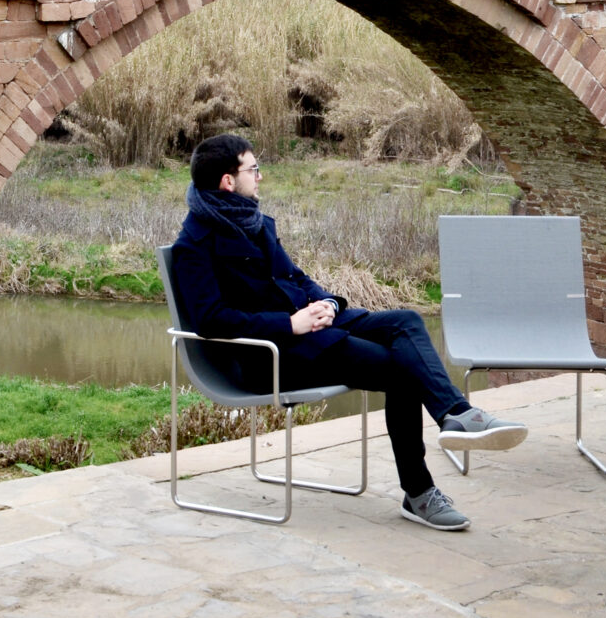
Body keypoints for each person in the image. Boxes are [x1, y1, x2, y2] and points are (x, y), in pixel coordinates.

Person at [171, 133, 527, 530]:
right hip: (273, 355)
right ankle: (420, 493)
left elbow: (295, 277)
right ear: (227, 181)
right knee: (401, 370)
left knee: (406, 321)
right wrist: (289, 324)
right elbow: (211, 320)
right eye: (253, 169)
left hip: (311, 328)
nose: (260, 176)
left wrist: (328, 303)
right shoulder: (194, 244)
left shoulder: (253, 222)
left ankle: (457, 415)